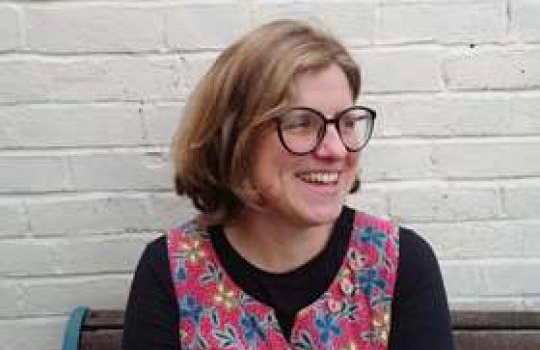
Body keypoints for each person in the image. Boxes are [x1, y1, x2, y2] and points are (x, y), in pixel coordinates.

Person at [122, 19, 454, 350]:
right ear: (236, 138)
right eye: (300, 124)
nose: (336, 149)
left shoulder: (398, 265)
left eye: (348, 122)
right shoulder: (172, 269)